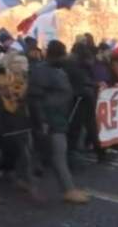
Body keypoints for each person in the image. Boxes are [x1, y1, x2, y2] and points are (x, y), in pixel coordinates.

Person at [28, 40, 90, 204]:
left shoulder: (54, 70)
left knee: (47, 154)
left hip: (57, 117)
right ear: (58, 55)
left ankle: (65, 188)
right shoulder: (42, 72)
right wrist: (42, 120)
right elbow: (36, 98)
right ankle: (68, 189)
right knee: (57, 154)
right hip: (50, 119)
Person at [0, 53, 40, 203]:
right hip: (3, 124)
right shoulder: (0, 81)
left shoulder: (22, 81)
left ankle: (27, 184)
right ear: (10, 65)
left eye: (25, 62)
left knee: (24, 155)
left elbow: (26, 103)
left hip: (20, 123)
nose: (25, 65)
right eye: (20, 62)